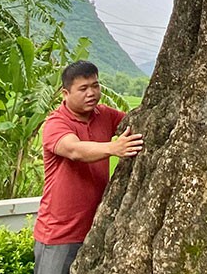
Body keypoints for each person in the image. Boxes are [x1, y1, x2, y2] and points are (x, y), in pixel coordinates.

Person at [34, 61, 144, 274]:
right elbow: (74, 149)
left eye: (95, 85)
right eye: (83, 89)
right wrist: (114, 148)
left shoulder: (104, 115)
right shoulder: (56, 123)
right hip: (59, 235)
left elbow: (139, 124)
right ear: (65, 93)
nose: (91, 93)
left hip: (97, 228)